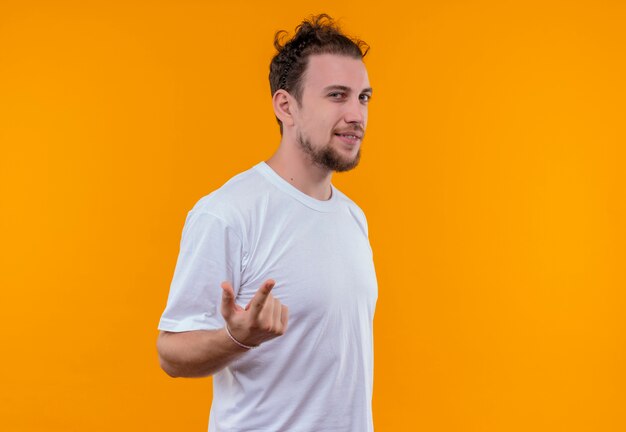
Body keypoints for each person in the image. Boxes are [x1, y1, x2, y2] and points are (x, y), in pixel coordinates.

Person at [157, 14, 378, 432]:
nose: (356, 115)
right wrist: (236, 338)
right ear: (285, 106)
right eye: (337, 95)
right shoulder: (228, 213)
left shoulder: (353, 217)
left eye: (363, 97)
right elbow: (170, 354)